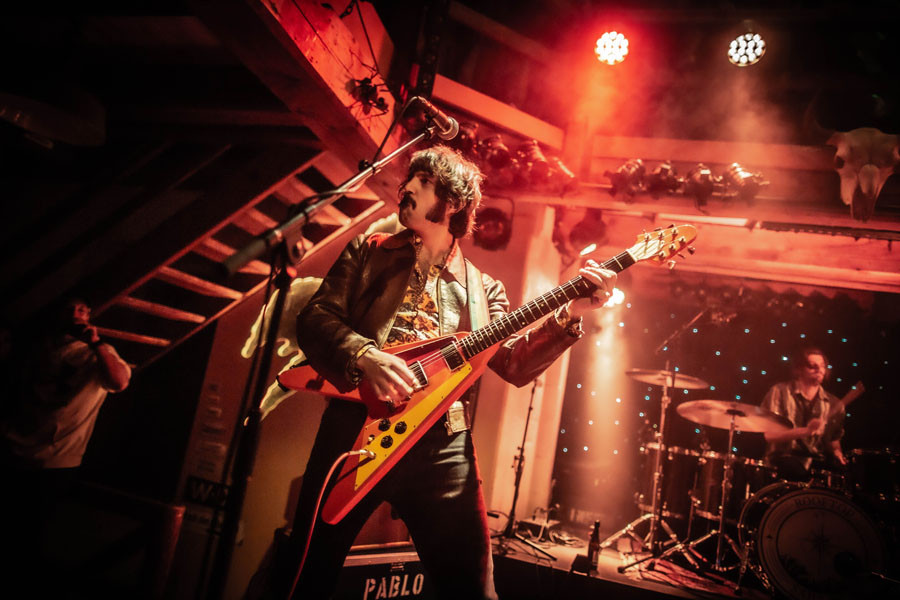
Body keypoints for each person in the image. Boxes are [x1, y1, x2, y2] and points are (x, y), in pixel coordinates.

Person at [267, 146, 617, 599]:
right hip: (355, 428)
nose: (406, 187)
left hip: (443, 447)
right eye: (409, 177)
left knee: (473, 589)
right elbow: (316, 318)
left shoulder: (484, 289)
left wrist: (570, 314)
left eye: (424, 181)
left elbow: (512, 363)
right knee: (304, 573)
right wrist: (366, 356)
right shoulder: (369, 251)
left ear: (453, 202)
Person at [0, 298, 131, 590]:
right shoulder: (40, 348)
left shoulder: (98, 353)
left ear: (90, 316)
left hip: (55, 461)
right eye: (69, 309)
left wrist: (97, 344)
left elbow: (119, 381)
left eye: (82, 309)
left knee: (28, 540)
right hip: (14, 450)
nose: (75, 314)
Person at [760, 346, 847, 482]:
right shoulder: (780, 392)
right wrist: (806, 431)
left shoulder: (834, 403)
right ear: (799, 369)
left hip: (816, 464)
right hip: (782, 461)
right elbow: (770, 436)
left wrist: (837, 452)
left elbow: (834, 440)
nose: (819, 370)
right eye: (812, 366)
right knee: (791, 466)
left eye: (822, 366)